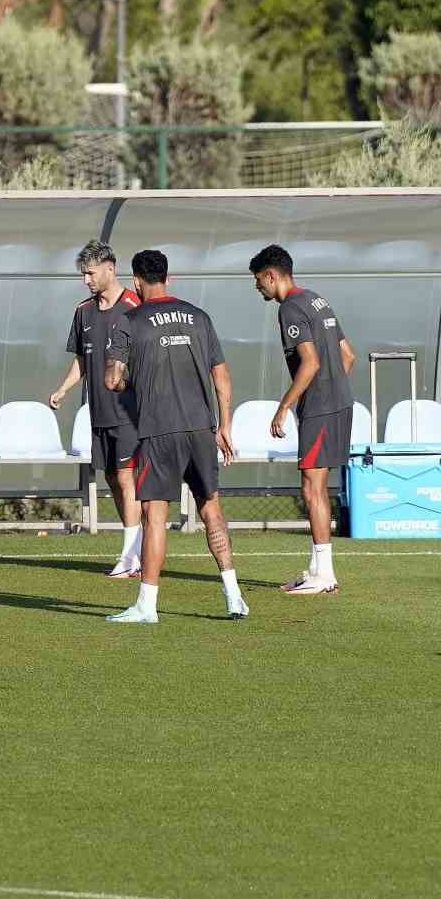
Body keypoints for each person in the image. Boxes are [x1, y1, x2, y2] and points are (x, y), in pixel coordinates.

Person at [104, 250, 248, 623]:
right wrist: (224, 425)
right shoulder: (200, 318)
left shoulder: (129, 320)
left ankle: (147, 606)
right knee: (211, 507)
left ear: (136, 281)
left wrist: (132, 381)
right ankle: (233, 595)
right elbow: (222, 375)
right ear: (169, 277)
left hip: (158, 430)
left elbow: (111, 379)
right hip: (201, 428)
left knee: (155, 514)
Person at [250, 244, 356, 595]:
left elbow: (310, 362)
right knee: (316, 485)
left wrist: (284, 407)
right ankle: (316, 569)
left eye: (258, 281)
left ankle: (325, 576)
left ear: (271, 275)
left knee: (312, 488)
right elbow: (347, 355)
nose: (257, 289)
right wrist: (334, 389)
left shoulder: (291, 308)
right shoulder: (316, 299)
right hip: (339, 403)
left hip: (321, 407)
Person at [48, 240, 144, 578]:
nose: (86, 279)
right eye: (83, 274)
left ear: (110, 268)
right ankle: (137, 547)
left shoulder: (135, 306)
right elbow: (82, 360)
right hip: (98, 411)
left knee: (125, 476)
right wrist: (63, 388)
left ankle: (132, 555)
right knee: (112, 479)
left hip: (130, 412)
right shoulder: (83, 311)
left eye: (90, 273)